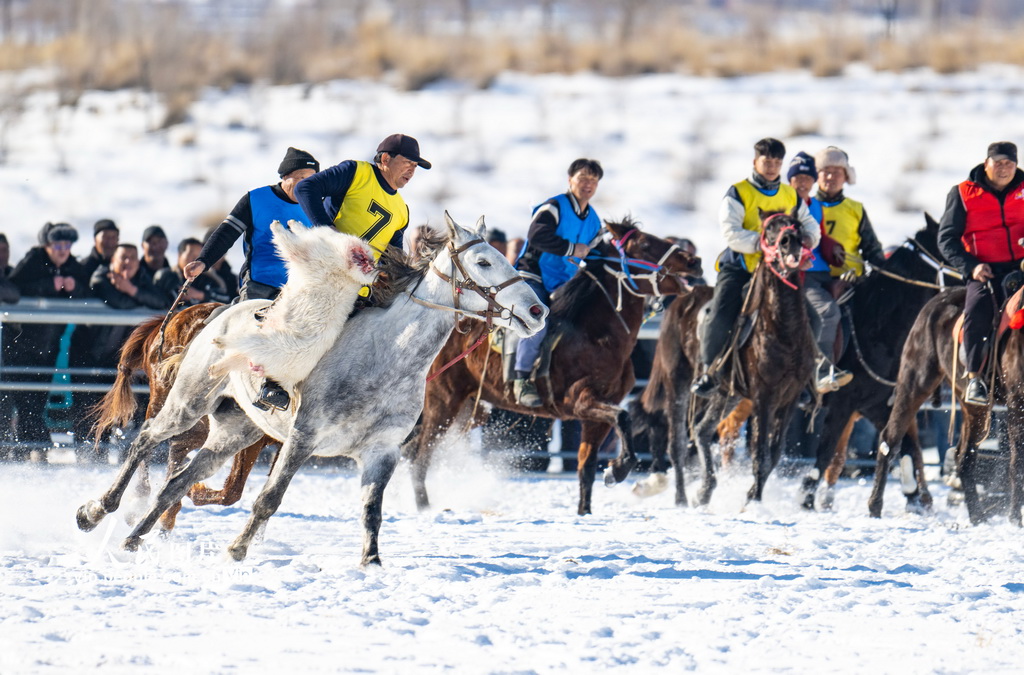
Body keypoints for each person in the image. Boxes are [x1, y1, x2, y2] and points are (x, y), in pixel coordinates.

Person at [691, 138, 822, 397]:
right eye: (767, 161)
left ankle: (805, 375)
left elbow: (810, 225)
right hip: (740, 267)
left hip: (778, 273)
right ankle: (711, 370)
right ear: (755, 162)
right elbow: (731, 232)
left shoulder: (790, 194)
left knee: (812, 318)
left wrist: (806, 240)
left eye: (776, 162)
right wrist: (762, 245)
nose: (772, 167)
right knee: (721, 313)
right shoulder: (738, 192)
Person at [512, 158, 604, 407]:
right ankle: (521, 378)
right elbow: (536, 235)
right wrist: (573, 248)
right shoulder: (554, 206)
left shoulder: (594, 220)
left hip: (564, 283)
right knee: (537, 322)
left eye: (593, 181)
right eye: (583, 178)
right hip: (533, 275)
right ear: (570, 180)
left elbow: (596, 253)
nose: (588, 185)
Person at [938, 141, 1024, 405]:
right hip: (984, 271)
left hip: (1021, 267)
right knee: (977, 311)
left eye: (1009, 163)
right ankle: (975, 377)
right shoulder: (963, 194)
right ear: (986, 164)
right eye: (998, 163)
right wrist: (971, 266)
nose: (1004, 169)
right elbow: (946, 239)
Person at [188, 146, 321, 302]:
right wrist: (203, 261)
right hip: (260, 286)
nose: (306, 185)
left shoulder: (316, 205)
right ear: (285, 176)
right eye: (301, 178)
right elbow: (226, 233)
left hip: (300, 289)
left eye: (312, 179)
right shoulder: (256, 200)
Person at [73, 243, 169, 454]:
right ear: (112, 262)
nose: (128, 263)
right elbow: (117, 302)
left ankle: (127, 453)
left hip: (124, 359)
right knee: (90, 408)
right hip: (92, 355)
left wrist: (131, 289)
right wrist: (135, 295)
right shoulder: (99, 278)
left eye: (132, 258)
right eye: (123, 258)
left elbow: (162, 301)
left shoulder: (143, 281)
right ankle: (88, 454)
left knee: (131, 407)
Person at [804, 146, 884, 391]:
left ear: (846, 176)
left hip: (851, 284)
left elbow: (871, 249)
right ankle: (816, 374)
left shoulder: (855, 209)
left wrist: (882, 272)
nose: (830, 177)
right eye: (825, 171)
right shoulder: (806, 205)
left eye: (836, 172)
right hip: (816, 282)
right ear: (816, 175)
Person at [6, 223, 88, 455]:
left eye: (67, 245)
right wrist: (47, 286)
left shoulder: (73, 266)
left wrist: (76, 287)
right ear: (48, 246)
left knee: (38, 398)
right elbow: (15, 287)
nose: (63, 250)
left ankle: (32, 450)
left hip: (50, 344)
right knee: (24, 401)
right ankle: (34, 448)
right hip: (21, 343)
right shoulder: (34, 260)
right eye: (58, 245)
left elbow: (88, 294)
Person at [295, 133, 429, 258]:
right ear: (385, 159)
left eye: (415, 166)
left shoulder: (402, 212)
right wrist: (326, 230)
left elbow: (392, 260)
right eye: (407, 162)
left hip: (357, 282)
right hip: (322, 263)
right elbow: (305, 188)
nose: (411, 171)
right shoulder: (355, 172)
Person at [155, 238, 232, 307]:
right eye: (190, 255)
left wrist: (202, 295)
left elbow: (225, 300)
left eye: (198, 256)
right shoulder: (165, 276)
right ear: (179, 255)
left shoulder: (207, 278)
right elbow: (155, 299)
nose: (194, 260)